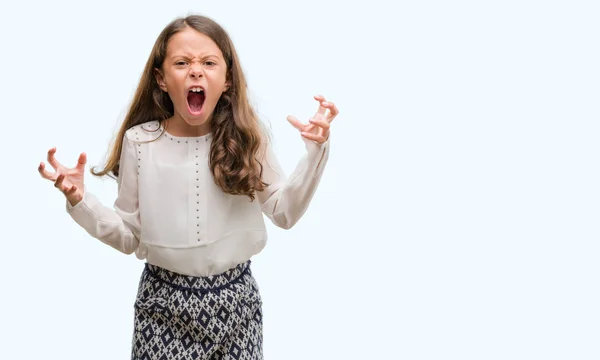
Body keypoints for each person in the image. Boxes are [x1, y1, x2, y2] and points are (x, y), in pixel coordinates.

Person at [37, 14, 338, 360]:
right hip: (162, 306)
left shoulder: (247, 139)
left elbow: (284, 213)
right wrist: (80, 200)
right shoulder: (141, 142)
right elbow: (129, 236)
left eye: (209, 62)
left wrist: (316, 152)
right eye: (182, 63)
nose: (196, 71)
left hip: (236, 306)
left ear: (227, 80)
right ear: (161, 79)